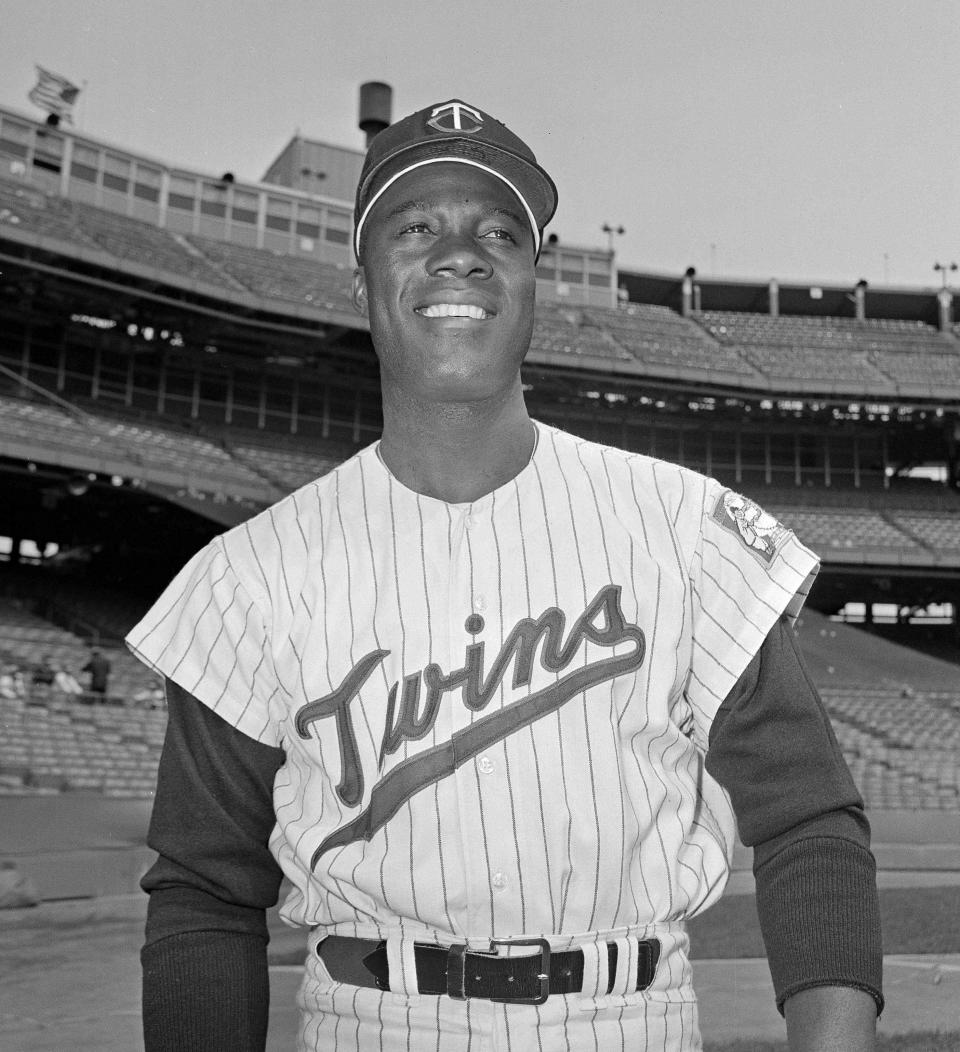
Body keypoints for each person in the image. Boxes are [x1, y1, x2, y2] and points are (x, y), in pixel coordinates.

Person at [127, 99, 883, 1052]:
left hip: (630, 1018)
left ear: (532, 280)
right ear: (362, 278)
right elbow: (203, 892)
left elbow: (810, 819)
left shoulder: (683, 526)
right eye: (414, 228)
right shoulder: (250, 574)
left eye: (499, 232)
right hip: (369, 1022)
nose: (460, 252)